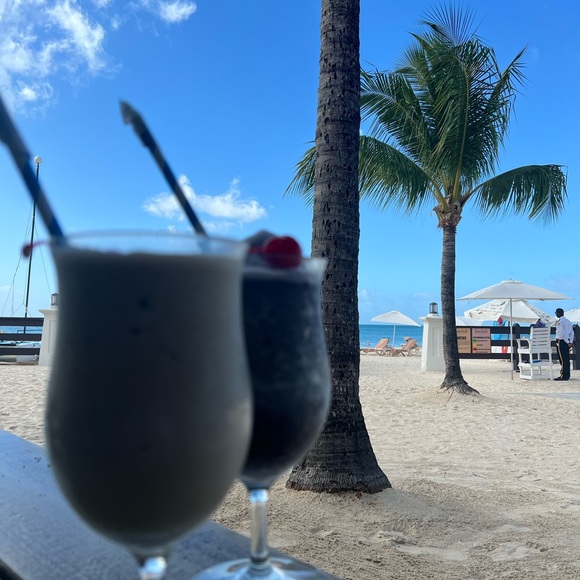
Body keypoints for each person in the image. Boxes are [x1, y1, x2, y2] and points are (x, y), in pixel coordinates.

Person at [554, 308, 574, 381]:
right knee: (566, 358)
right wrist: (570, 341)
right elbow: (572, 333)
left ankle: (563, 375)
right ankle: (567, 374)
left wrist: (567, 342)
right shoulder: (568, 321)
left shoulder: (560, 322)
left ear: (558, 313)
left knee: (562, 359)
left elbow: (562, 333)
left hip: (561, 341)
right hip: (567, 341)